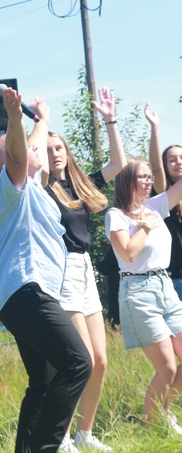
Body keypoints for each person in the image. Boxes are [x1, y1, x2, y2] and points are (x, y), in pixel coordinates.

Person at [0, 88, 92, 453]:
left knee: (44, 381)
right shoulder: (12, 188)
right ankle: (47, 448)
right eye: (34, 148)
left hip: (22, 295)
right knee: (79, 363)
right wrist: (15, 117)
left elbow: (30, 155)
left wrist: (41, 119)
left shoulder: (32, 186)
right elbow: (18, 154)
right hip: (26, 289)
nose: (40, 150)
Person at [46, 86, 125, 452]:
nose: (55, 154)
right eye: (47, 151)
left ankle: (84, 433)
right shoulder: (40, 189)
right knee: (82, 359)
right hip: (60, 271)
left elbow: (117, 165)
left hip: (85, 269)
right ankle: (59, 437)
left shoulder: (78, 183)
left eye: (58, 148)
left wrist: (110, 120)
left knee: (102, 360)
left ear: (67, 151)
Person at [105, 156, 182, 431]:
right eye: (143, 176)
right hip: (137, 290)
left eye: (150, 176)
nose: (149, 181)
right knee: (167, 368)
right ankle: (151, 427)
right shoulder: (116, 216)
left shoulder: (155, 206)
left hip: (165, 286)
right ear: (127, 180)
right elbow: (127, 253)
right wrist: (146, 226)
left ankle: (163, 412)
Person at [148, 103, 182, 301]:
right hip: (175, 278)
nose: (178, 162)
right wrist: (155, 128)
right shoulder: (163, 194)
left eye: (181, 158)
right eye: (172, 159)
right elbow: (155, 166)